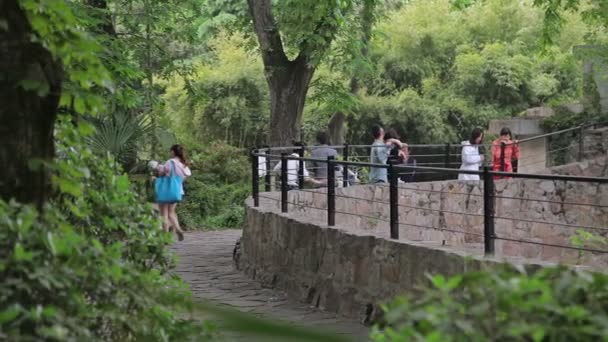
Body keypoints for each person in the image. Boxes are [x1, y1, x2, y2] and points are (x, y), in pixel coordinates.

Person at [156, 144, 192, 241]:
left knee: (164, 214)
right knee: (171, 212)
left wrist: (158, 167)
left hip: (166, 190)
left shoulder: (170, 162)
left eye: (170, 151)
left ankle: (165, 237)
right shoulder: (183, 164)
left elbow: (161, 173)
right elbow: (186, 176)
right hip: (177, 191)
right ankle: (178, 229)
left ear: (173, 152)